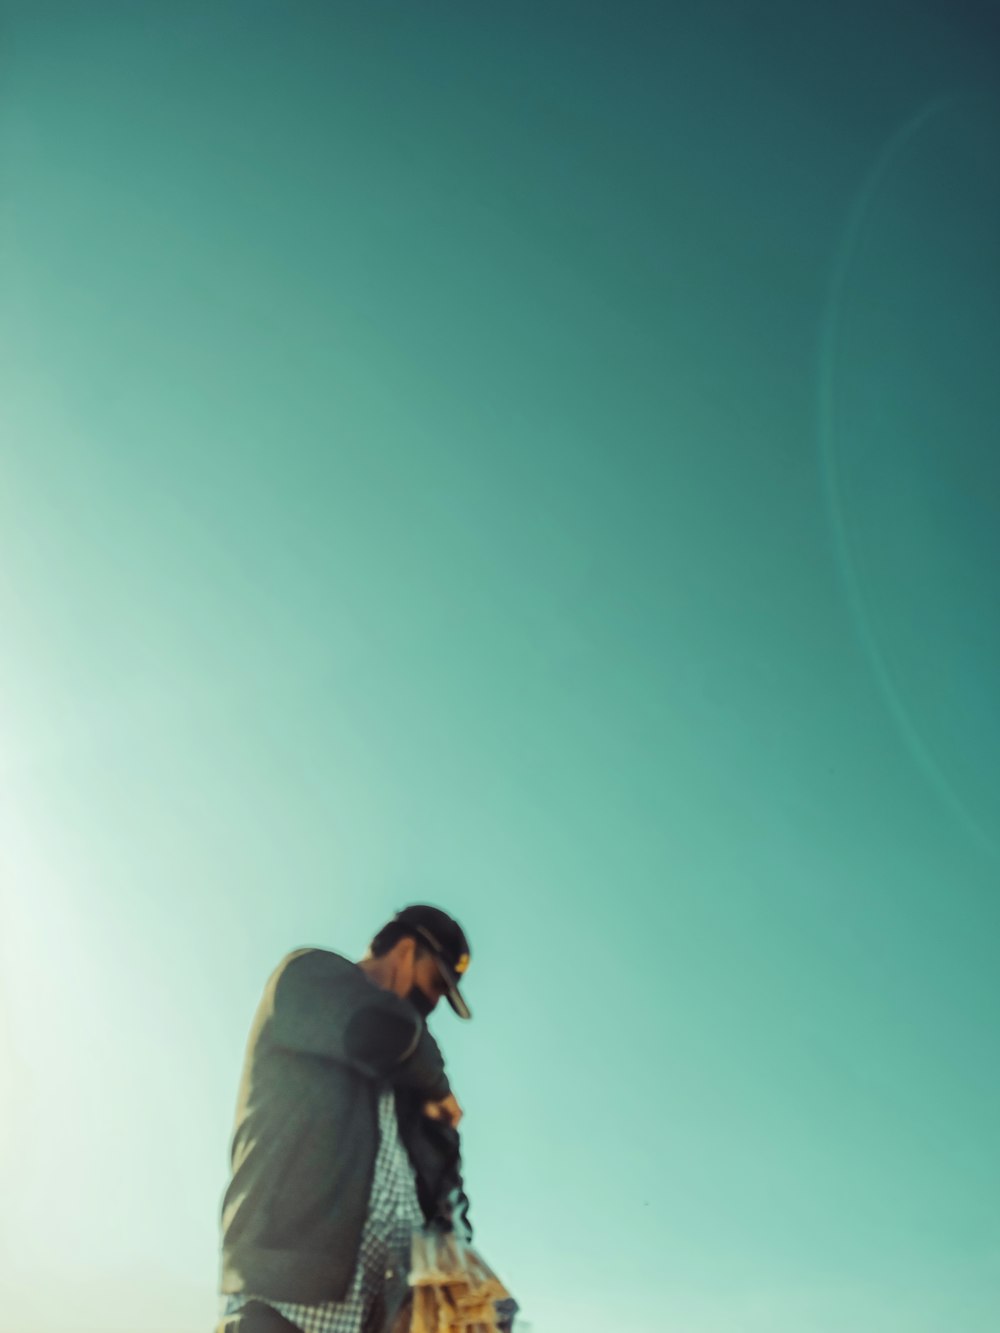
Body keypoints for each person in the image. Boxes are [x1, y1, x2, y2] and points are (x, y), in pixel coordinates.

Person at [216, 904, 474, 1333]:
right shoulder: (308, 978)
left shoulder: (411, 1071)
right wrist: (438, 1084)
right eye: (435, 984)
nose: (432, 1007)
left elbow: (443, 1190)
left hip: (375, 1319)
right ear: (406, 950)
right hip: (284, 1307)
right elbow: (379, 1031)